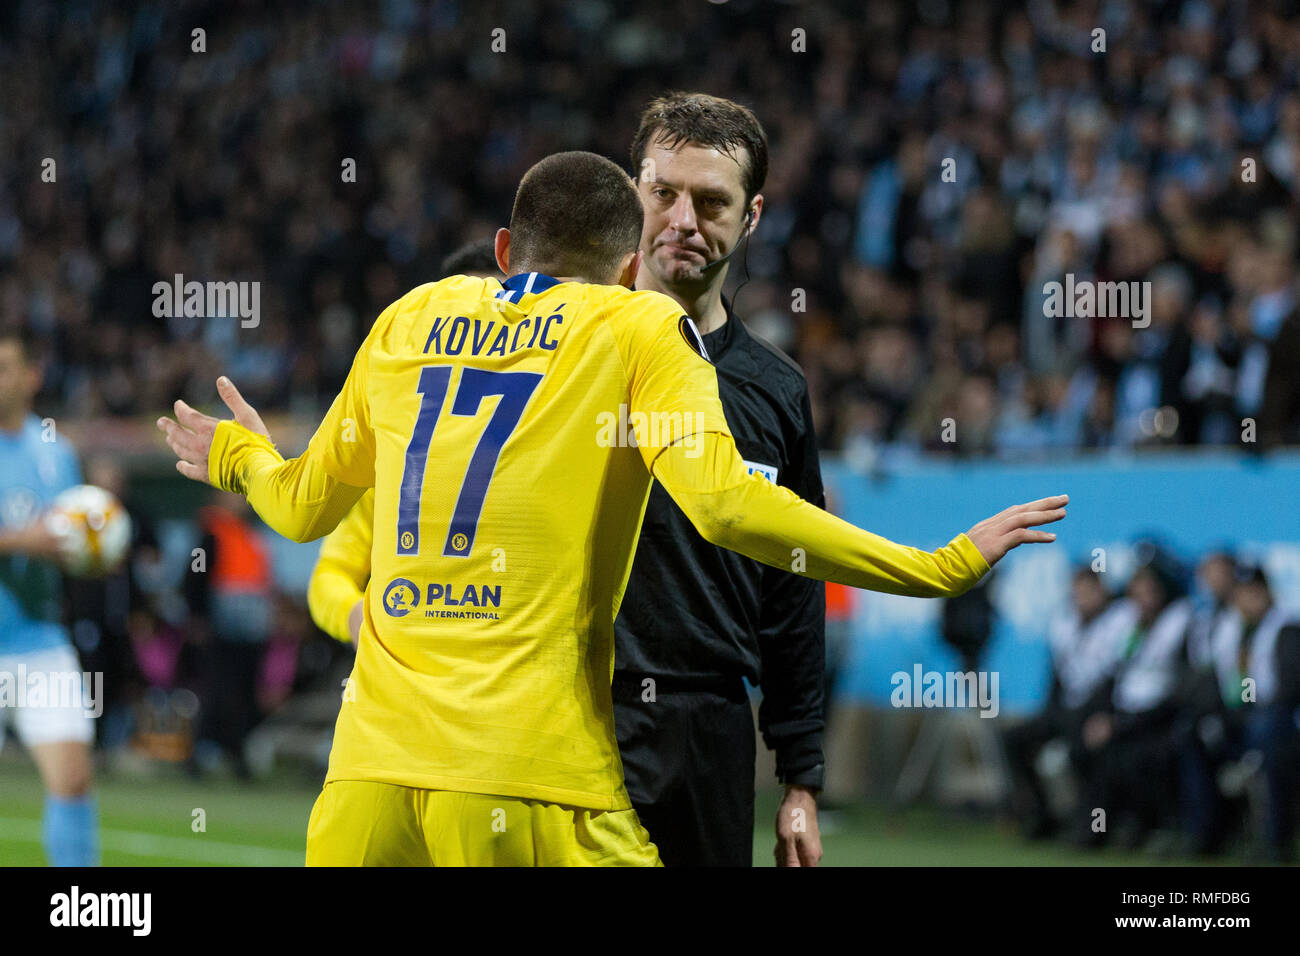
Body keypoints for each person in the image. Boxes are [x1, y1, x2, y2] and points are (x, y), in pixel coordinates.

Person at [157, 150, 1068, 867]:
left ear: (507, 251)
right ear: (631, 263)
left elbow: (305, 507)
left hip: (364, 787)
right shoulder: (639, 327)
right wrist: (932, 566)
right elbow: (728, 508)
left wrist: (237, 454)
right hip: (531, 782)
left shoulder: (410, 317)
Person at [613, 92, 828, 867]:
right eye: (662, 193)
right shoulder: (566, 355)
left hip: (712, 735)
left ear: (753, 215)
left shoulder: (775, 390)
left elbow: (795, 590)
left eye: (711, 202)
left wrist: (801, 782)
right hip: (575, 715)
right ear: (632, 193)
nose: (682, 222)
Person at [307, 239, 500, 647]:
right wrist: (356, 617)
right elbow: (330, 576)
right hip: (410, 689)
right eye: (464, 323)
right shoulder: (394, 457)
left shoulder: (552, 439)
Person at [0, 327, 99, 865]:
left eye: (4, 367)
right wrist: (24, 541)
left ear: (31, 377)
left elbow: (74, 539)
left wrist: (97, 545)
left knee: (73, 780)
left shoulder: (56, 452)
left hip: (40, 641)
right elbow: (35, 538)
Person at [1179, 561, 1300, 860]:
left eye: (1254, 592)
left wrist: (1250, 716)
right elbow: (1217, 684)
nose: (1248, 599)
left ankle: (1274, 842)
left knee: (1267, 731)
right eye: (1242, 593)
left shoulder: (1284, 627)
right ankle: (1204, 835)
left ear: (1268, 592)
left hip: (1278, 723)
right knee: (1191, 733)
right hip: (1239, 720)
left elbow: (1288, 691)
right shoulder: (1228, 629)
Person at [1002, 566, 1133, 838]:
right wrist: (1049, 714)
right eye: (1077, 591)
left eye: (1088, 591)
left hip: (1101, 710)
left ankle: (1094, 826)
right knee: (1013, 740)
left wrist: (1105, 715)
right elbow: (1057, 677)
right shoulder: (1064, 622)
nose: (1081, 598)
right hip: (1066, 710)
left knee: (1083, 747)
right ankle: (1041, 817)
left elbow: (1117, 676)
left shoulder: (1121, 620)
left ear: (1103, 591)